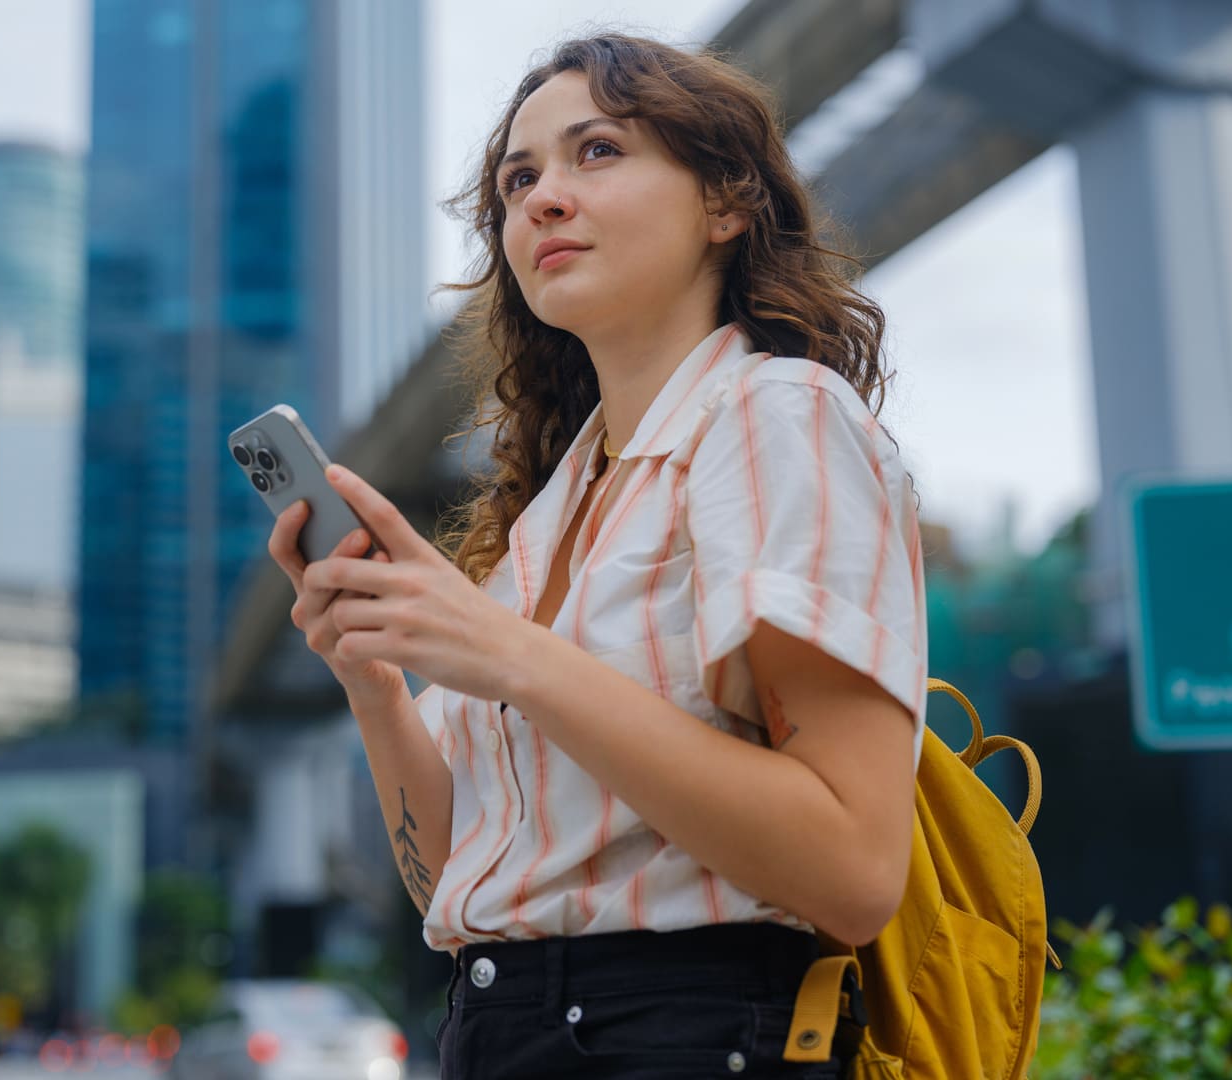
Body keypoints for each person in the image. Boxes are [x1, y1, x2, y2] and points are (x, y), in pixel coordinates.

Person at [265, 32, 926, 1079]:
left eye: (598, 153)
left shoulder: (774, 419)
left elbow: (851, 866)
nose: (541, 198)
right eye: (518, 178)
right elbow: (461, 889)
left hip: (688, 1036)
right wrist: (376, 681)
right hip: (501, 1026)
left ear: (726, 204)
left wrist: (511, 657)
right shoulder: (550, 518)